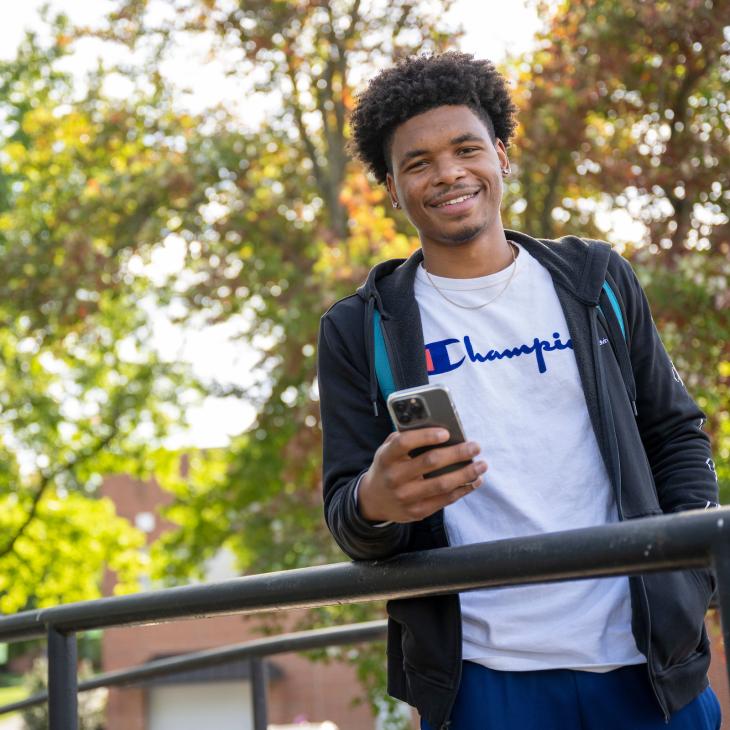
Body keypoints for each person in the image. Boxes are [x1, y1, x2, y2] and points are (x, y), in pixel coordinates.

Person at [317, 52, 720, 730]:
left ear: (501, 156)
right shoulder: (361, 329)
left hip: (647, 665)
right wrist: (376, 502)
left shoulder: (596, 281)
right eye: (417, 163)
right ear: (392, 188)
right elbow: (349, 514)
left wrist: (689, 581)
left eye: (466, 148)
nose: (447, 173)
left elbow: (676, 434)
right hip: (483, 681)